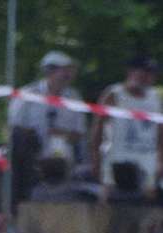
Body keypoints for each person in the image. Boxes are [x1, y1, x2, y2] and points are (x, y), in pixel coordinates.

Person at [9, 51, 88, 203]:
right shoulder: (27, 94)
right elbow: (15, 128)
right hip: (30, 159)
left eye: (70, 70)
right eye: (63, 70)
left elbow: (80, 133)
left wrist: (62, 135)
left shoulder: (75, 97)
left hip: (62, 155)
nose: (68, 75)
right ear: (49, 71)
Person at [90, 56, 163, 201]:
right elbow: (97, 131)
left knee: (145, 212)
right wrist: (95, 160)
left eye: (151, 74)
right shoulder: (114, 94)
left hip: (147, 163)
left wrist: (160, 163)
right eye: (143, 72)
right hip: (115, 162)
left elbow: (160, 135)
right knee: (110, 206)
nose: (147, 77)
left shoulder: (155, 97)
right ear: (131, 72)